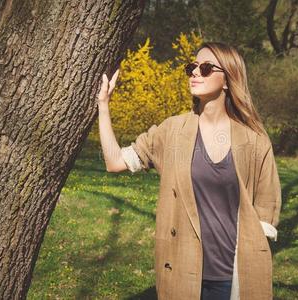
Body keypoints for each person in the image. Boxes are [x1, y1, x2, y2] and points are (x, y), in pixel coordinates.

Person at [97, 42, 282, 300]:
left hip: (236, 277)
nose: (195, 72)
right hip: (182, 272)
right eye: (191, 67)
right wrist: (103, 105)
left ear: (228, 79)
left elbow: (265, 211)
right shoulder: (172, 131)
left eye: (205, 68)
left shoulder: (255, 142)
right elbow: (114, 162)